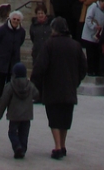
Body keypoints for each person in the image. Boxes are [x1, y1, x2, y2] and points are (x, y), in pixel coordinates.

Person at [32, 16, 87, 160]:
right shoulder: (75, 45)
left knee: (54, 118)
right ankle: (62, 145)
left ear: (54, 29)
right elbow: (84, 67)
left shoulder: (49, 44)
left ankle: (57, 146)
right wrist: (76, 81)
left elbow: (40, 66)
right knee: (65, 119)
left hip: (52, 87)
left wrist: (35, 83)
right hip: (69, 88)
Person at [0, 61, 40, 159]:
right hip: (27, 115)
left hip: (14, 115)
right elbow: (37, 95)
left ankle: (17, 146)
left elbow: (4, 101)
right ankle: (22, 150)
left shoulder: (10, 86)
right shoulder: (30, 85)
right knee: (24, 134)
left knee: (12, 132)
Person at [0, 10, 26, 104]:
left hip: (14, 60)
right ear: (10, 19)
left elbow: (20, 42)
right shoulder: (2, 29)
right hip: (2, 58)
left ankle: (9, 97)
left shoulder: (21, 31)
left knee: (11, 81)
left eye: (18, 19)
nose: (15, 21)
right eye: (14, 19)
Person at [81, 0, 104, 76]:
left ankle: (96, 70)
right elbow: (88, 19)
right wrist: (94, 27)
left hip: (96, 36)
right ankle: (90, 70)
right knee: (90, 54)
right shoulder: (93, 7)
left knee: (96, 54)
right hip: (89, 35)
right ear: (100, 1)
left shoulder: (103, 11)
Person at [29, 3, 54, 75]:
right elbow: (32, 37)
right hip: (37, 52)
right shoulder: (33, 25)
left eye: (42, 13)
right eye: (38, 13)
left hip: (49, 51)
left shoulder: (50, 24)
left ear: (45, 14)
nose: (40, 15)